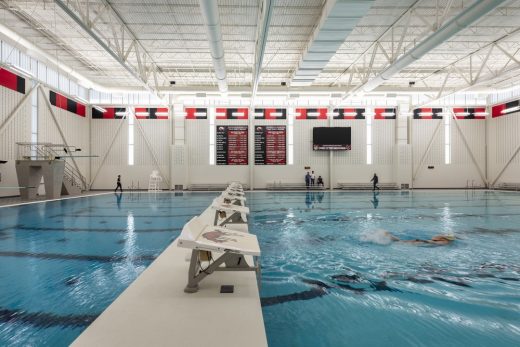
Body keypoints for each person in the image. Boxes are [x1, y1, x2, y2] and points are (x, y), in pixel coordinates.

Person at [384, 231, 456, 246]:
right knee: (402, 241)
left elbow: (433, 242)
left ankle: (390, 237)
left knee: (402, 241)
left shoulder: (444, 242)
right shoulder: (446, 240)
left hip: (423, 243)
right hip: (424, 242)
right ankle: (390, 237)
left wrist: (422, 240)